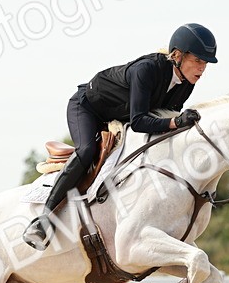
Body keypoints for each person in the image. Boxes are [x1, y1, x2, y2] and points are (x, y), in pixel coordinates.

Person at [22, 23, 218, 250]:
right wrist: (176, 121)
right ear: (177, 55)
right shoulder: (147, 70)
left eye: (205, 63)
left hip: (118, 117)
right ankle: (43, 220)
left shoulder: (186, 84)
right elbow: (139, 122)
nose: (202, 68)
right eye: (198, 61)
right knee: (87, 151)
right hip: (87, 108)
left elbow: (159, 122)